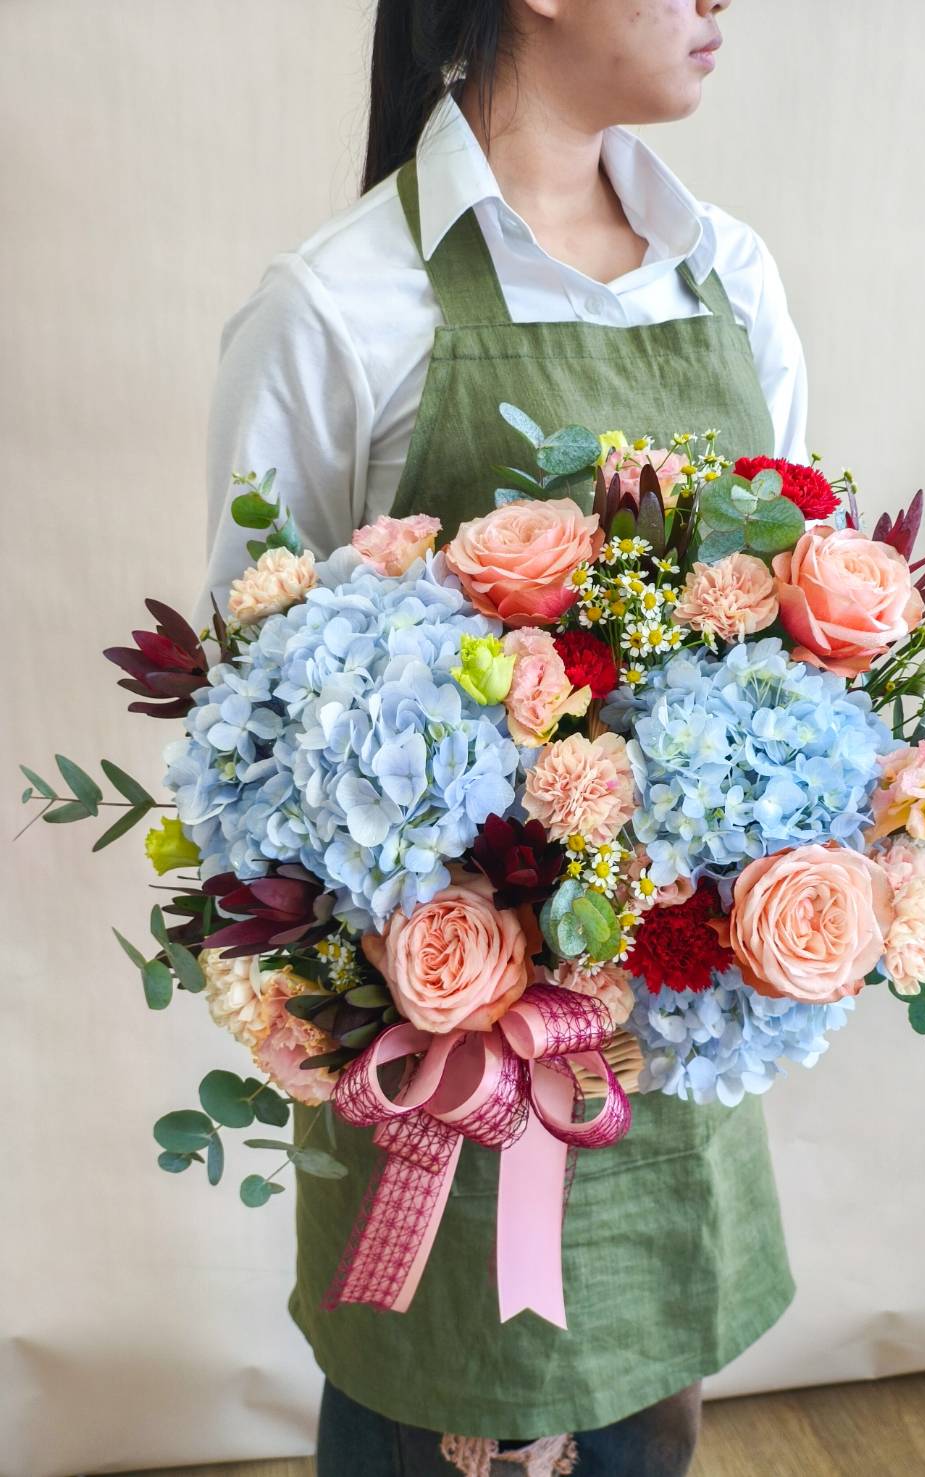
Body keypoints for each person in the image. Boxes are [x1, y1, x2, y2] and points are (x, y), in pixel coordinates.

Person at [199, 2, 810, 1472]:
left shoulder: (729, 277)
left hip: (666, 1070)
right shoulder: (343, 306)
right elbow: (252, 733)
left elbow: (798, 659)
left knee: (649, 1428)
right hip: (445, 1089)